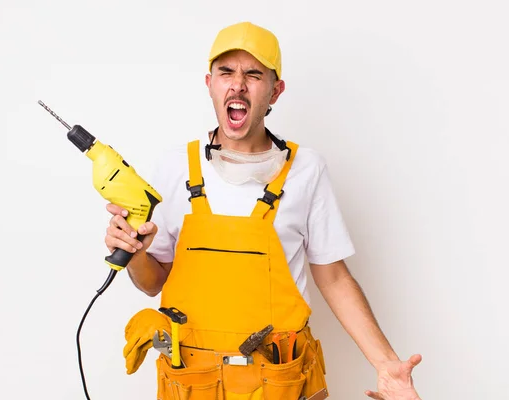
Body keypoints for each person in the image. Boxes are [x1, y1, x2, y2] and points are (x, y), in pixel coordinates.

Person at [105, 21, 422, 400]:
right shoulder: (174, 166)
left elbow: (334, 279)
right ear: (210, 83)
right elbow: (153, 281)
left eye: (253, 74)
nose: (237, 84)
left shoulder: (306, 170)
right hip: (193, 384)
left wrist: (387, 365)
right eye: (226, 72)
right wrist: (135, 253)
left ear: (276, 90)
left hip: (282, 385)